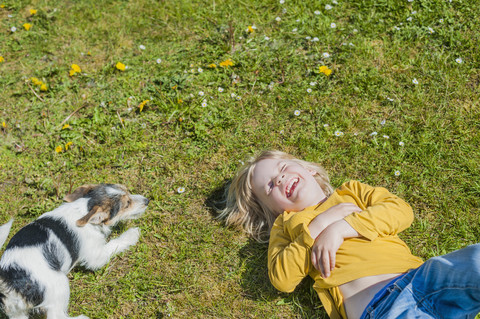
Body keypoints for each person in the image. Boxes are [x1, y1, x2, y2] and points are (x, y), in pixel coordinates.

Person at [219, 150, 480, 319]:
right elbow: (282, 279)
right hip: (382, 309)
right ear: (273, 210)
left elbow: (400, 211)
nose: (279, 179)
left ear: (308, 169)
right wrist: (321, 224)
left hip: (423, 278)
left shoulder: (352, 192)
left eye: (283, 168)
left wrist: (343, 227)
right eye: (269, 186)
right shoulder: (287, 227)